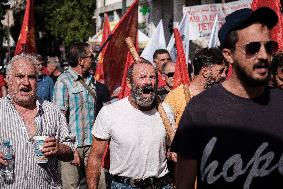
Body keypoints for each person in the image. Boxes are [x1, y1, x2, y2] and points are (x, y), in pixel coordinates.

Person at [172, 7, 283, 189]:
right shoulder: (199, 110)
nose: (264, 55)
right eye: (253, 48)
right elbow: (183, 184)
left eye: (269, 47)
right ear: (228, 55)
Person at [86, 59, 175, 189]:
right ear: (129, 83)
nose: (148, 81)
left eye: (152, 77)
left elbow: (168, 149)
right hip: (124, 185)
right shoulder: (110, 112)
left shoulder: (166, 111)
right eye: (142, 77)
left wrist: (173, 153)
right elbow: (95, 157)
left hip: (161, 184)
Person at [0, 53, 74, 188]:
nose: (26, 82)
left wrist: (59, 148)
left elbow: (70, 151)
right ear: (8, 79)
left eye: (32, 77)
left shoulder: (52, 111)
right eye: (20, 76)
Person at [53, 42, 105, 189]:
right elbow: (59, 118)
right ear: (81, 60)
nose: (93, 59)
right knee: (71, 186)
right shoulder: (63, 81)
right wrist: (71, 148)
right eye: (91, 56)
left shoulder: (92, 80)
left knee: (99, 184)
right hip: (71, 145)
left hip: (93, 144)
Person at [164, 48, 227, 125]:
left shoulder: (219, 96)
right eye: (220, 71)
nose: (224, 75)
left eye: (225, 71)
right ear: (205, 72)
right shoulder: (176, 97)